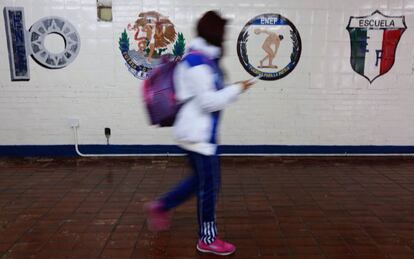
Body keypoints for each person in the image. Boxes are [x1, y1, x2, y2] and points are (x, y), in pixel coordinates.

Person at [144, 10, 256, 256]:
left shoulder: (204, 60)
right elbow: (207, 102)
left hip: (199, 134)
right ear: (215, 33)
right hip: (198, 137)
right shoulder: (196, 62)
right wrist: (236, 89)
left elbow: (207, 95)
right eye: (223, 32)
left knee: (199, 181)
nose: (225, 36)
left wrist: (233, 89)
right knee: (209, 186)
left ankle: (161, 206)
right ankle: (207, 238)